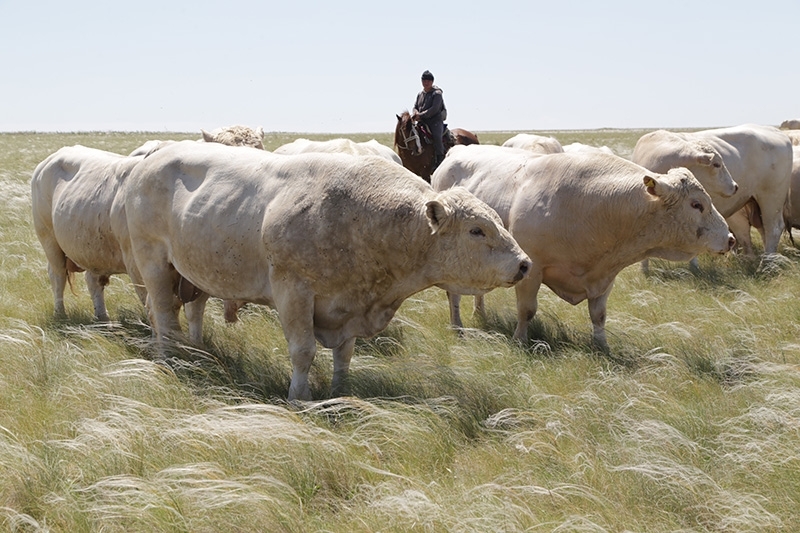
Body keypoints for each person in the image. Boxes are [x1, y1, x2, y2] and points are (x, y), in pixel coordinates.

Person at [413, 70, 448, 171]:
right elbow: (415, 106)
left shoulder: (437, 94)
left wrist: (421, 115)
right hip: (422, 120)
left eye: (428, 80)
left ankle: (439, 159)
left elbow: (434, 109)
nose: (426, 82)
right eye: (424, 80)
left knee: (437, 136)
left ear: (432, 81)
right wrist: (415, 113)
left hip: (435, 121)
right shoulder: (420, 94)